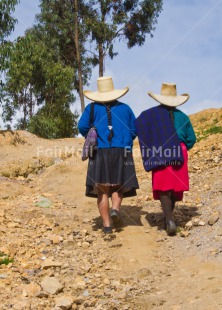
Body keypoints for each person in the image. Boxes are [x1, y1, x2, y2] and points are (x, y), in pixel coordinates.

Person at [78, 76, 139, 234]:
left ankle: (106, 226)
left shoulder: (91, 108)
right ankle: (116, 209)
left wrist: (93, 135)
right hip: (122, 150)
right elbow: (134, 129)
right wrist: (125, 139)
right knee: (118, 184)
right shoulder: (125, 108)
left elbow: (82, 126)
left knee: (102, 189)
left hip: (100, 151)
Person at [135, 83, 196, 236]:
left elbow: (140, 128)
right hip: (179, 151)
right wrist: (182, 148)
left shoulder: (151, 116)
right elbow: (191, 139)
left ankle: (169, 220)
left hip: (160, 150)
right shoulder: (182, 116)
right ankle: (170, 218)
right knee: (174, 186)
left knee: (163, 186)